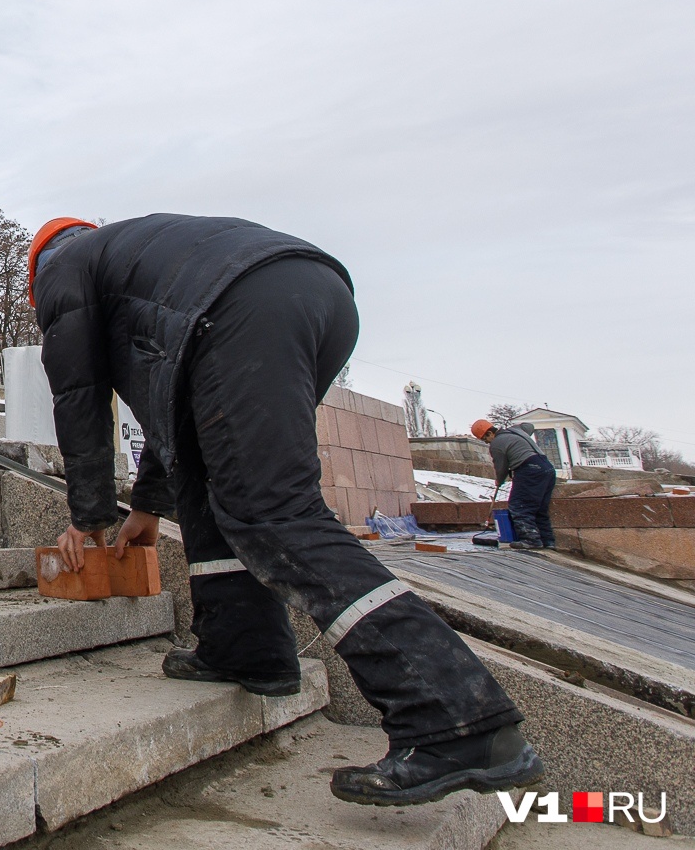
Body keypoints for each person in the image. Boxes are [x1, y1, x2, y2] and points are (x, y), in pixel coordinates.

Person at [30, 213, 541, 807]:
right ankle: (247, 649)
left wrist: (87, 516)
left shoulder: (65, 268)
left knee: (273, 512)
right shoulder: (139, 267)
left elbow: (78, 397)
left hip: (244, 308)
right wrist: (147, 505)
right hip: (310, 297)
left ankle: (457, 720)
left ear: (39, 271)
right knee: (214, 482)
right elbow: (170, 415)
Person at [474, 417, 556, 549]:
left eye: (485, 439)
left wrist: (499, 481)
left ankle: (531, 540)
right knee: (540, 508)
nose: (487, 442)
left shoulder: (497, 444)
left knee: (519, 505)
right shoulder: (516, 430)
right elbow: (529, 425)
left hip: (529, 469)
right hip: (547, 468)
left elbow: (501, 467)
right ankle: (548, 541)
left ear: (490, 433)